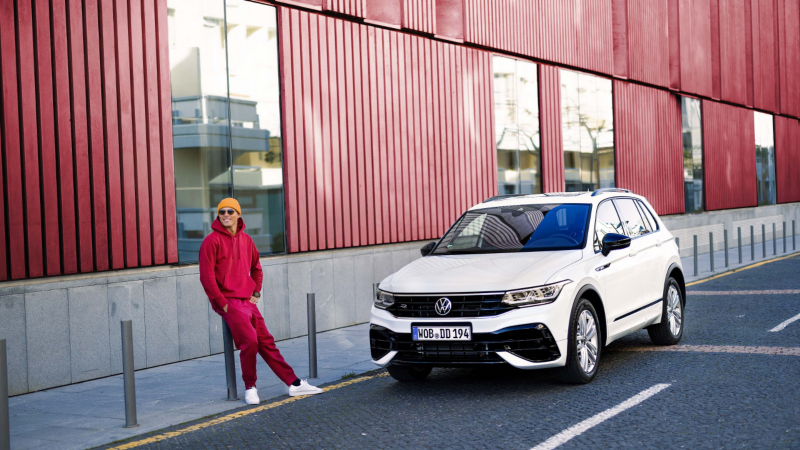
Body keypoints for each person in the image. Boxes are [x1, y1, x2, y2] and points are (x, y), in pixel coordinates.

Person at [199, 198, 323, 404]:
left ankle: (293, 383)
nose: (226, 215)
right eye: (222, 212)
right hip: (228, 302)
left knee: (266, 342)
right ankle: (250, 387)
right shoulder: (211, 241)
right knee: (249, 341)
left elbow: (256, 268)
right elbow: (206, 277)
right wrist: (222, 302)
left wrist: (256, 290)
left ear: (238, 215)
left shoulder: (247, 240)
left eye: (230, 211)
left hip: (247, 301)